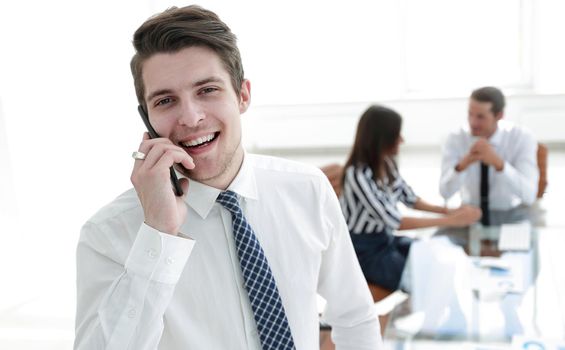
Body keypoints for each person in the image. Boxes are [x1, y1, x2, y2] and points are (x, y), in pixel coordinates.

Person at [74, 5, 382, 350]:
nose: (190, 118)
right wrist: (158, 234)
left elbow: (355, 317)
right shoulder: (107, 234)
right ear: (147, 119)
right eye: (165, 101)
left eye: (207, 90)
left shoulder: (307, 189)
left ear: (243, 95)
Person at [340, 105, 481, 291]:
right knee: (420, 279)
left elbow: (410, 198)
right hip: (363, 251)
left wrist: (450, 211)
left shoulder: (387, 164)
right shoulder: (357, 175)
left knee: (433, 256)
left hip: (385, 239)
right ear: (382, 139)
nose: (402, 140)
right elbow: (395, 221)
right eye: (397, 135)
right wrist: (451, 221)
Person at [439, 87, 539, 220]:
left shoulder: (522, 137)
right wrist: (463, 164)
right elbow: (445, 193)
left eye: (480, 117)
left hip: (512, 214)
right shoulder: (455, 139)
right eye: (470, 114)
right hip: (469, 213)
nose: (473, 122)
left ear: (499, 115)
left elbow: (529, 196)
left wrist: (499, 164)